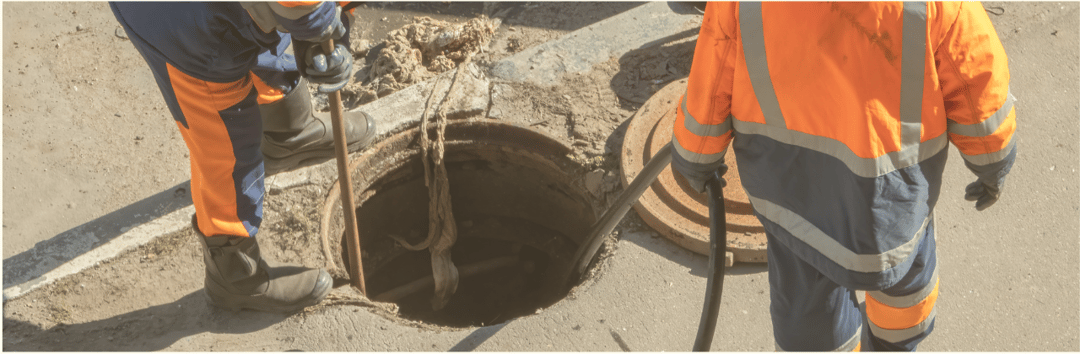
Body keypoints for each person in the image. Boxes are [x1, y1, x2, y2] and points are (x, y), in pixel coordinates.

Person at [671, 2, 1015, 351]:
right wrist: (992, 162)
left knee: (808, 313)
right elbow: (976, 81)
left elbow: (713, 75)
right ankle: (894, 346)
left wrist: (696, 157)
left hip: (794, 204)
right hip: (893, 206)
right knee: (903, 291)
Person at [110, 1, 376, 312]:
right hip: (184, 25)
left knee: (261, 50)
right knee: (225, 147)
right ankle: (235, 274)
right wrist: (317, 24)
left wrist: (332, 35)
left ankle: (287, 133)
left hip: (229, 13)